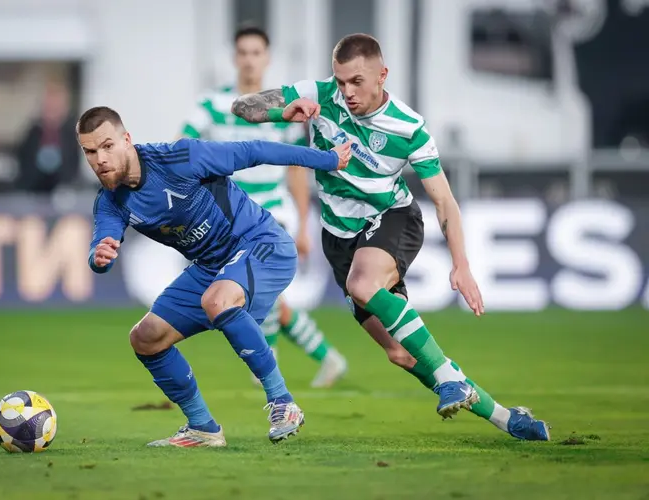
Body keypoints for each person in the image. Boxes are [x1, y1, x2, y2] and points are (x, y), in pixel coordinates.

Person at [231, 33, 550, 441]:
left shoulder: (409, 126)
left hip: (392, 218)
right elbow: (243, 107)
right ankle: (507, 419)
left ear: (382, 75)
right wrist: (284, 111)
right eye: (340, 81)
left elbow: (445, 201)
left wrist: (461, 265)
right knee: (400, 353)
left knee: (362, 284)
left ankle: (451, 381)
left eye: (357, 82)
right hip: (339, 239)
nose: (347, 92)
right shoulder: (321, 94)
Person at [78, 106, 352, 447]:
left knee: (217, 300)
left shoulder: (181, 158)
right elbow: (101, 245)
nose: (100, 159)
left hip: (261, 243)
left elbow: (255, 151)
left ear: (127, 140)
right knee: (145, 337)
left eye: (107, 146)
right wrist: (99, 257)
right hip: (211, 267)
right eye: (90, 152)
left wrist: (327, 160)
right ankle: (202, 428)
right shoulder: (110, 202)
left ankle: (283, 403)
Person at [180, 25, 347, 388]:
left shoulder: (283, 109)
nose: (249, 60)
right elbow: (184, 147)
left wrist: (303, 223)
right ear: (234, 58)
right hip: (228, 217)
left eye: (256, 52)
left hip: (273, 211)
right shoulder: (212, 104)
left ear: (266, 58)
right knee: (260, 296)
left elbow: (297, 170)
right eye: (243, 52)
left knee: (260, 291)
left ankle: (267, 364)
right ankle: (327, 357)